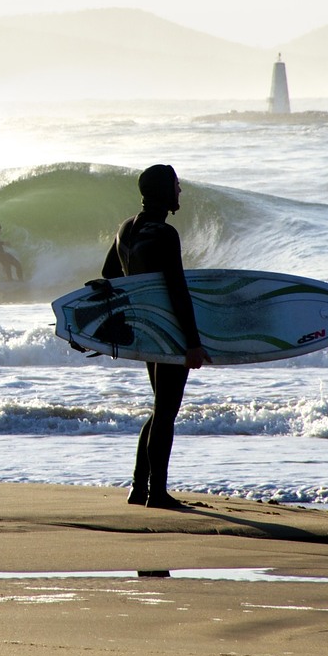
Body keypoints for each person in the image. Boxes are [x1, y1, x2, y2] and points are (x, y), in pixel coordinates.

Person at [101, 164, 209, 510]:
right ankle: (157, 494)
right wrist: (192, 343)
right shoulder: (165, 234)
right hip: (170, 331)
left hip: (147, 330)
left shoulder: (126, 228)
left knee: (160, 408)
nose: (180, 192)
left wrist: (136, 301)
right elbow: (178, 291)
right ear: (163, 192)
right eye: (176, 186)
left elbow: (109, 274)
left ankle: (139, 488)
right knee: (166, 411)